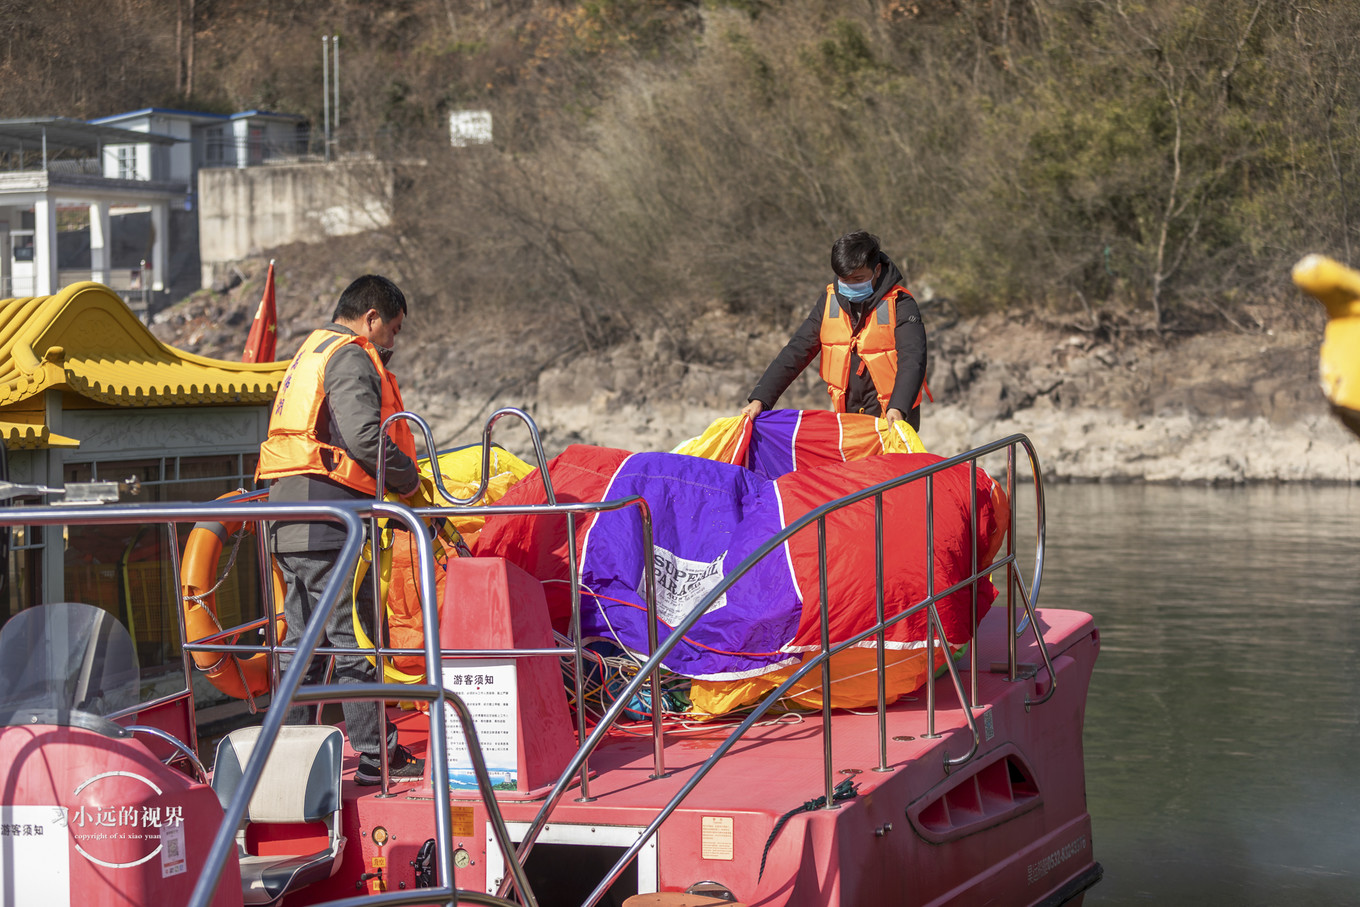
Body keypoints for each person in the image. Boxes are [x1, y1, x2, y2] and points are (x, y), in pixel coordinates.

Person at [256, 274, 425, 786]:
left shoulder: (308, 351)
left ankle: (286, 755)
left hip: (287, 521)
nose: (391, 345)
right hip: (331, 524)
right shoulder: (350, 355)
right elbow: (362, 434)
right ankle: (378, 756)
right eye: (392, 331)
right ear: (372, 318)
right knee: (354, 639)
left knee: (302, 645)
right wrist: (409, 480)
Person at [741, 231, 928, 430]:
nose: (850, 285)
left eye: (858, 279)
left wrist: (898, 407)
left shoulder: (901, 303)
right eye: (844, 279)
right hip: (848, 420)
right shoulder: (829, 301)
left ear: (878, 270)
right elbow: (796, 351)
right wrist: (761, 398)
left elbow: (913, 358)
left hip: (893, 417)